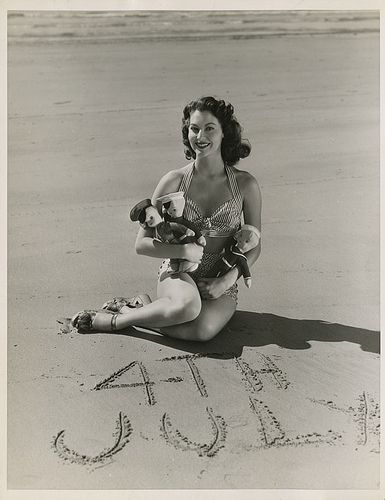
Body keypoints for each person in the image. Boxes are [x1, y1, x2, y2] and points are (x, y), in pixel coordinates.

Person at [71, 96, 262, 342]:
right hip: (176, 273)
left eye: (209, 128)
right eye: (194, 129)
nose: (200, 136)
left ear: (225, 133)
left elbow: (255, 247)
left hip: (220, 281)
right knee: (188, 307)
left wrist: (225, 282)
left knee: (201, 332)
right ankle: (117, 320)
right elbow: (141, 244)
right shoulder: (172, 181)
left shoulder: (246, 184)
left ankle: (140, 307)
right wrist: (183, 251)